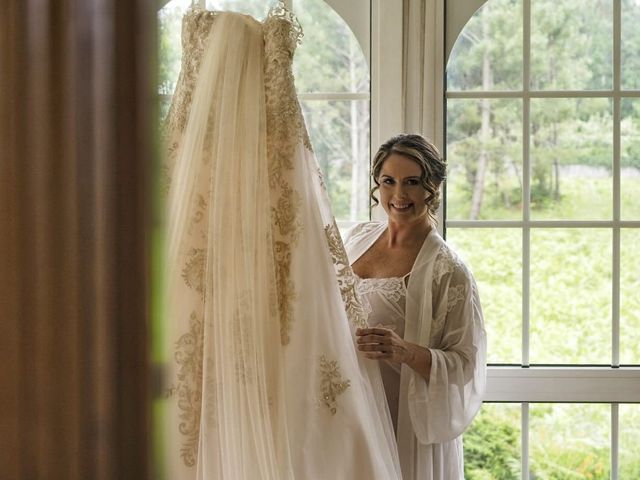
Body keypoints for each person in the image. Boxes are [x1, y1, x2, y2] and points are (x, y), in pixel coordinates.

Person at [346, 133, 487, 480]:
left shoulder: (448, 270)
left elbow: (467, 364)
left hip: (401, 425)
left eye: (412, 182)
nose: (399, 195)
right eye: (388, 181)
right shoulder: (355, 239)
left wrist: (404, 350)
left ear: (433, 186)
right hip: (350, 417)